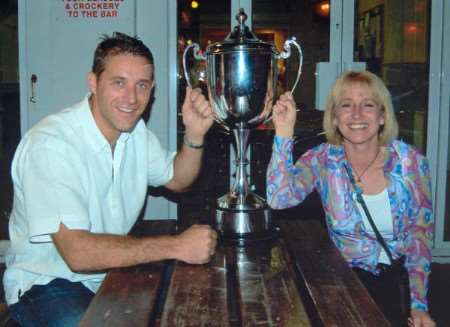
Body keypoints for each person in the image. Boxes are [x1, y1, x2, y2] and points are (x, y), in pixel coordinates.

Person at [4, 32, 217, 327]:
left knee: (201, 303)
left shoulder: (135, 134)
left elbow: (178, 179)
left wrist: (195, 135)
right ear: (93, 82)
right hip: (48, 284)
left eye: (141, 85)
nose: (131, 98)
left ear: (152, 88)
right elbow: (77, 254)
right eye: (119, 82)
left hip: (111, 273)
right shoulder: (52, 144)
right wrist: (176, 246)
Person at [267, 70, 435, 327]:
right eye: (346, 105)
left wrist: (419, 306)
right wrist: (284, 133)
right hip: (341, 286)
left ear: (382, 116)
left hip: (395, 288)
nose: (356, 114)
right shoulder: (322, 160)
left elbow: (419, 238)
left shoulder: (411, 163)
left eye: (367, 104)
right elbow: (279, 199)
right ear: (334, 118)